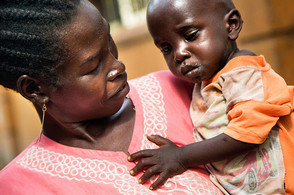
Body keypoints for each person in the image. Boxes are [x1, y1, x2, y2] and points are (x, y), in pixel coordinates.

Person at [0, 0, 225, 194]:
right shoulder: (17, 186)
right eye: (93, 67)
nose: (118, 66)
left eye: (109, 40)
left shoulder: (179, 88)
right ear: (35, 89)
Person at [127, 0, 294, 194]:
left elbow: (247, 134)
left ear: (231, 25)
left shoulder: (243, 72)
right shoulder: (205, 84)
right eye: (166, 48)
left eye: (190, 36)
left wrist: (180, 156)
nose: (179, 53)